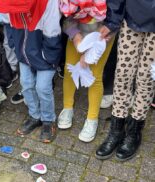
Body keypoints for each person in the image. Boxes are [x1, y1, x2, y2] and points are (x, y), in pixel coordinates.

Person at [0, 0, 62, 143]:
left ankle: (48, 120)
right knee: (26, 84)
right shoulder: (9, 6)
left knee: (42, 87)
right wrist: (16, 48)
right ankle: (35, 116)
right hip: (24, 54)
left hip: (45, 55)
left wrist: (48, 58)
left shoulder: (48, 4)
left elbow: (52, 32)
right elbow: (9, 26)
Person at [96, 0, 155, 161]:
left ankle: (135, 130)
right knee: (123, 73)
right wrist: (112, 21)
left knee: (146, 78)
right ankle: (117, 128)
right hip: (132, 19)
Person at [58, 0, 114, 142]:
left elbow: (116, 14)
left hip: (104, 33)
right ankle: (67, 107)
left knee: (94, 76)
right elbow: (65, 14)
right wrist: (76, 38)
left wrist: (90, 52)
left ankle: (92, 118)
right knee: (70, 69)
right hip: (77, 30)